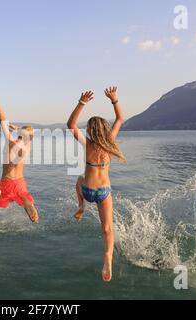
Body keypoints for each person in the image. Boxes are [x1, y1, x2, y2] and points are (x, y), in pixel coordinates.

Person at [67, 87, 125, 282]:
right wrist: (114, 100)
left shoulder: (88, 144)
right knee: (108, 228)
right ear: (105, 130)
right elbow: (119, 119)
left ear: (91, 131)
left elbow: (71, 124)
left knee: (79, 179)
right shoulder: (110, 143)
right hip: (104, 192)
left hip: (87, 191)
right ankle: (108, 256)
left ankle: (81, 207)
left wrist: (82, 102)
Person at [0, 84, 39, 223]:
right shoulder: (27, 146)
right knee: (25, 200)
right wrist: (18, 128)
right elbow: (29, 135)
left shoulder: (11, 141)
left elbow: (2, 120)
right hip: (19, 183)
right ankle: (29, 206)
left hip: (5, 183)